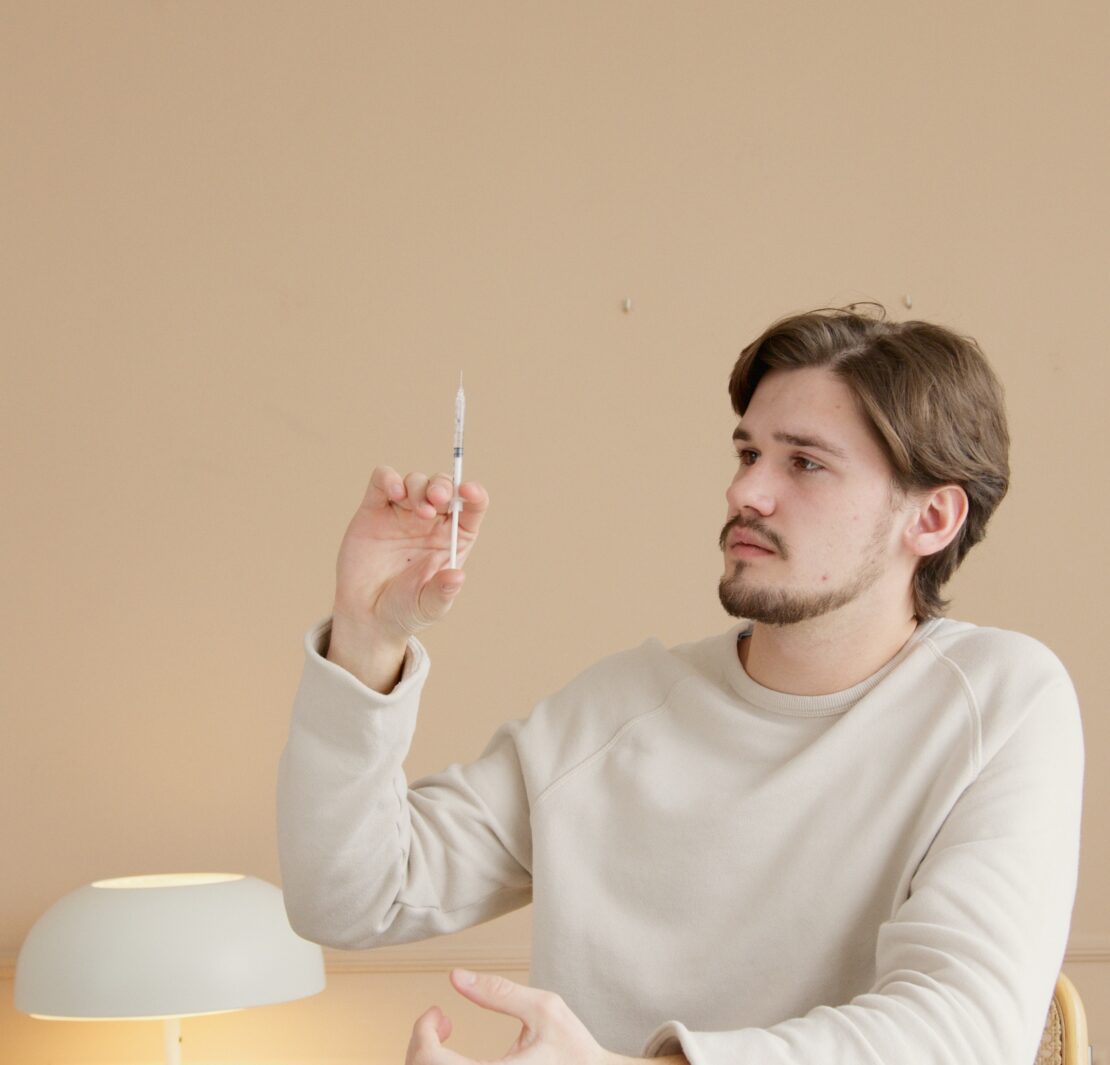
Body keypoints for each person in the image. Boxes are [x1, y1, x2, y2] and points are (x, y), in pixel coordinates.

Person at [277, 304, 1083, 1065]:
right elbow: (351, 896)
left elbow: (958, 1032)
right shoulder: (618, 711)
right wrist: (368, 630)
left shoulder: (1000, 701)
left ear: (933, 519)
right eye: (747, 453)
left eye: (804, 462)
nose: (746, 492)